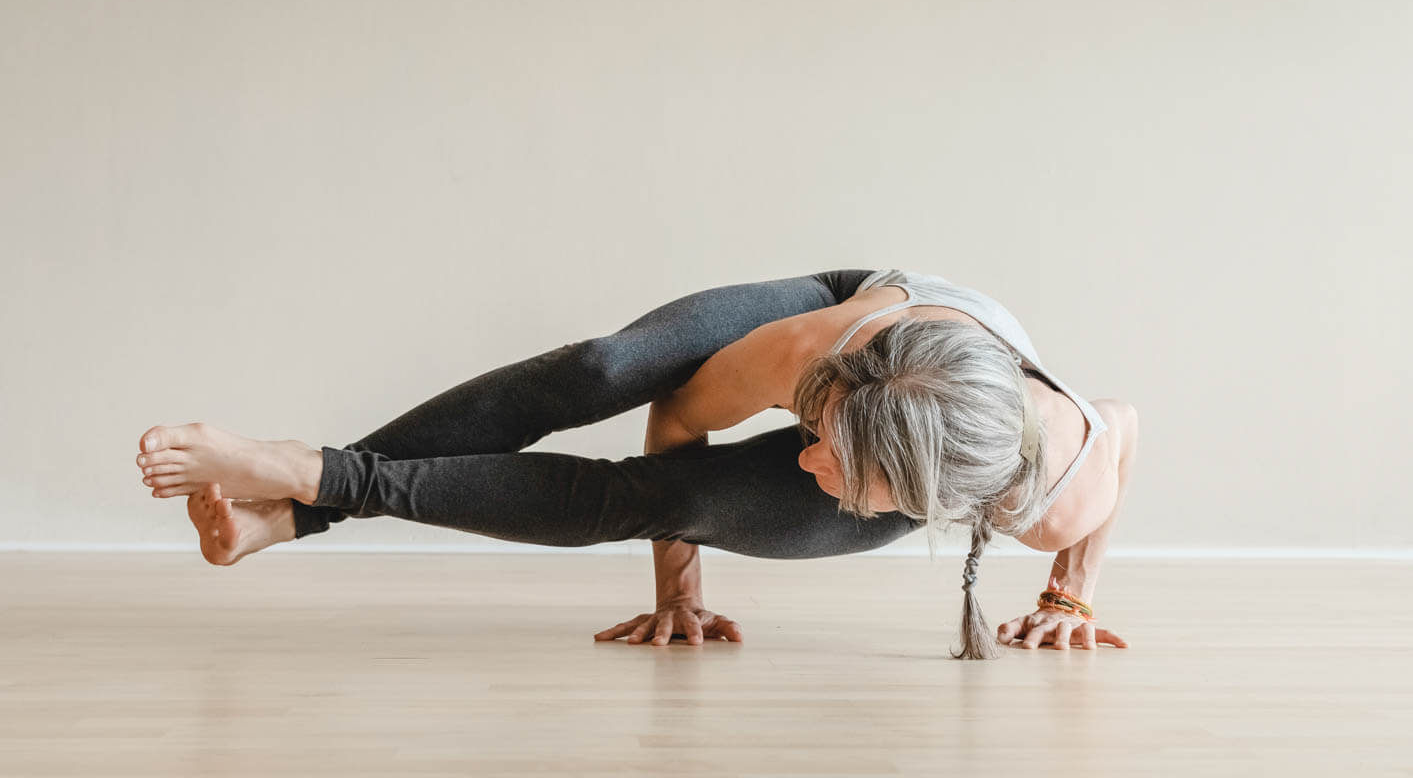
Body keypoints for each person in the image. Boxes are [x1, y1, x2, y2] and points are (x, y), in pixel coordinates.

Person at [133, 268, 1134, 659]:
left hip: (936, 443)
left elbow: (1121, 428)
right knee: (599, 367)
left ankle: (297, 502)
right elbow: (679, 415)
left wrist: (1069, 592)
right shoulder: (808, 351)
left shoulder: (1057, 485)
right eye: (816, 431)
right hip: (859, 323)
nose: (807, 458)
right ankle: (302, 483)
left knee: (640, 502)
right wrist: (678, 583)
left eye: (836, 463)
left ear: (913, 500)